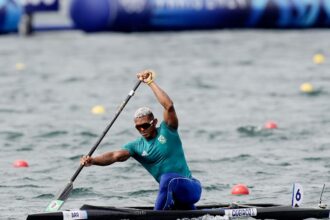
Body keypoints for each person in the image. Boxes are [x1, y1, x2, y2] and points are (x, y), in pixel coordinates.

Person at [80, 70, 202, 210]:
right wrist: (93, 160)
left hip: (191, 188)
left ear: (154, 122)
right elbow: (115, 156)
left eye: (145, 125)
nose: (142, 129)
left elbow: (168, 105)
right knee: (170, 188)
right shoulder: (137, 146)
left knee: (167, 179)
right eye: (138, 127)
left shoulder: (168, 129)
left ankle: (156, 215)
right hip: (175, 197)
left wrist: (150, 82)